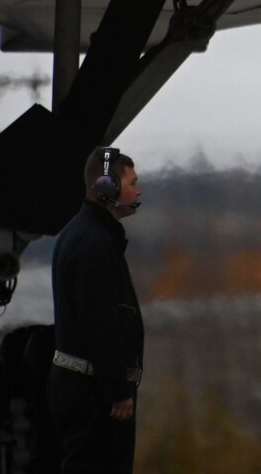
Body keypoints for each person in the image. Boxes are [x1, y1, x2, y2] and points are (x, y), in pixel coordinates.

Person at [50, 146, 146, 473]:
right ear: (107, 189)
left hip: (87, 389)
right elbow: (99, 323)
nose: (138, 189)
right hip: (94, 397)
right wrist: (118, 391)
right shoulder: (94, 244)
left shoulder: (87, 234)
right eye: (131, 182)